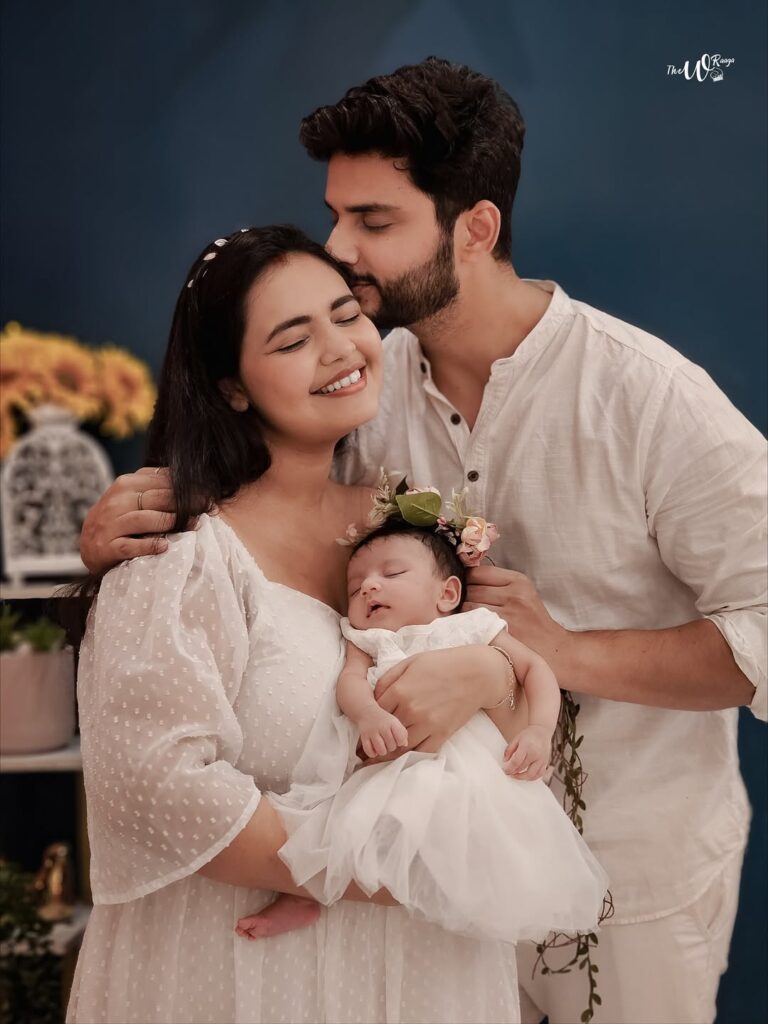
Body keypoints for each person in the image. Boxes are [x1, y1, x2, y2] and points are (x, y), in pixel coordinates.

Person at [79, 59, 767, 1024]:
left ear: (475, 229)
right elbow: (252, 520)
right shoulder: (356, 380)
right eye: (335, 214)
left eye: (373, 221)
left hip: (626, 885)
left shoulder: (647, 398)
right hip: (412, 901)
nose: (338, 247)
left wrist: (551, 658)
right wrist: (126, 525)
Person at [67, 224, 525, 1024]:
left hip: (426, 966)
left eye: (346, 315)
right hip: (247, 966)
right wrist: (377, 875)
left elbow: (505, 682)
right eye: (291, 339)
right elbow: (152, 782)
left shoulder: (409, 521)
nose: (340, 348)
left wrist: (489, 673)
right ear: (233, 385)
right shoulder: (181, 554)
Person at [236, 506, 608, 945]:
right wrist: (368, 714)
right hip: (387, 760)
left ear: (448, 593)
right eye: (356, 587)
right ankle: (303, 895)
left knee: (477, 830)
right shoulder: (366, 639)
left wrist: (540, 730)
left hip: (464, 763)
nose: (370, 585)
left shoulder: (473, 627)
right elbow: (349, 683)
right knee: (330, 825)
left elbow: (536, 670)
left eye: (392, 573)